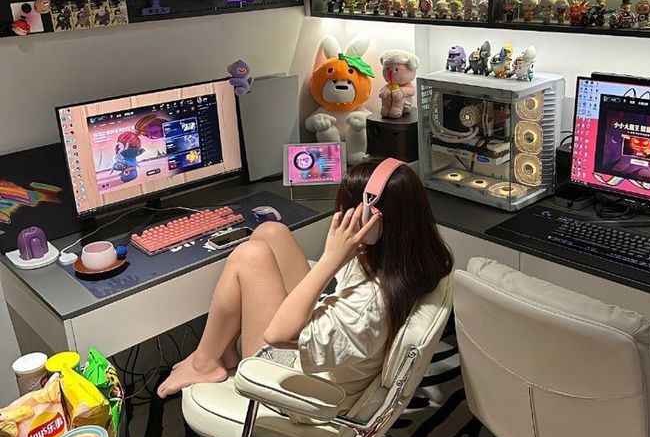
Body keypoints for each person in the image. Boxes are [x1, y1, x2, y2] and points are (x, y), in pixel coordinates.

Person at [157, 161, 453, 400]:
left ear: (370, 224)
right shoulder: (408, 259)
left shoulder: (366, 309)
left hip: (292, 369)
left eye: (347, 210)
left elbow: (276, 336)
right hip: (322, 330)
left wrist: (330, 258)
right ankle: (223, 350)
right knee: (271, 232)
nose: (339, 216)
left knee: (249, 255)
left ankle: (205, 364)